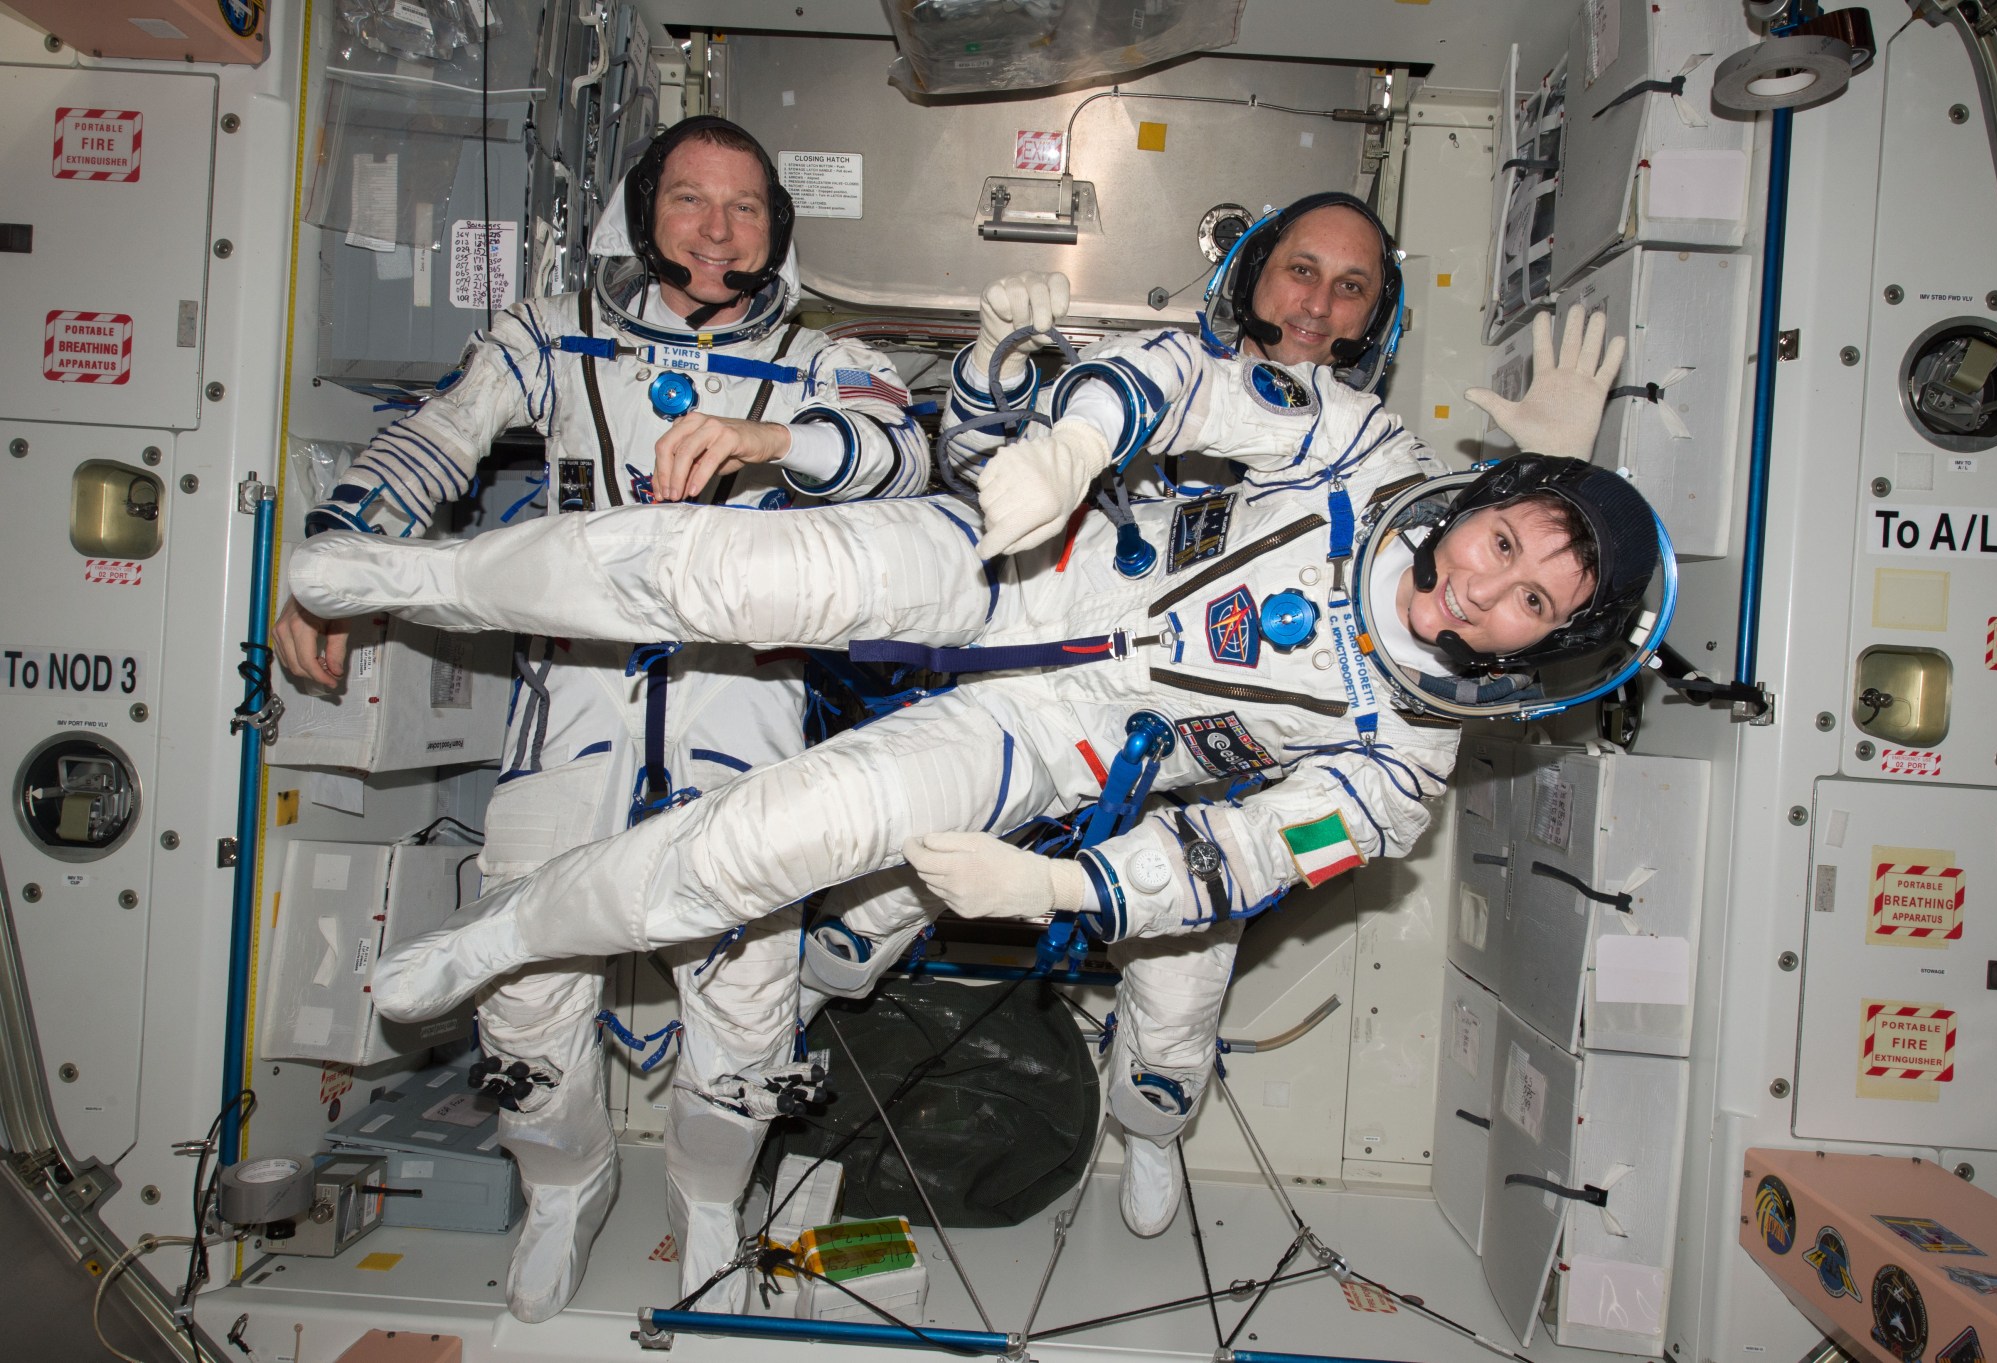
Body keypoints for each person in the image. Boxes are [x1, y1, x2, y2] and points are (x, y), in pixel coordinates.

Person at [286, 242, 1664, 1276]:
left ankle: (501, 940)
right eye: (1504, 545)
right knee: (718, 568)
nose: (1486, 595)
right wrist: (1066, 448)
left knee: (769, 846)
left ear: (1538, 653)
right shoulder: (1362, 448)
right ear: (1480, 506)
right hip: (1019, 559)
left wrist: (1064, 894)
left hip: (1052, 751)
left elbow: (1241, 853)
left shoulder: (1402, 767)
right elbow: (1193, 375)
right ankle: (415, 573)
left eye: (1534, 604)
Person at [807, 194, 1630, 1238]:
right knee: (867, 910)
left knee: (1174, 1026)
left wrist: (1564, 476)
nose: (1318, 306)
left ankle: (1149, 1125)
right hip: (1037, 694)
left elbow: (1483, 600)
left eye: (1351, 290)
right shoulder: (1153, 379)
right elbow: (980, 471)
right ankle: (798, 1016)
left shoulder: (1371, 469)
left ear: (1377, 320)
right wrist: (995, 365)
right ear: (1250, 272)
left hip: (1201, 785)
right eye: (1301, 271)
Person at [270, 117, 929, 1321]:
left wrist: (768, 438)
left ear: (776, 226)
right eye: (689, 200)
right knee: (523, 1000)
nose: (718, 229)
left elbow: (899, 456)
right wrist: (331, 560)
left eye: (743, 206)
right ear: (643, 214)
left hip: (742, 736)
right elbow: (432, 442)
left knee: (742, 1023)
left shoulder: (820, 357)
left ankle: (707, 1196)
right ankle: (567, 1185)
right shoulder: (549, 335)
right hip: (572, 723)